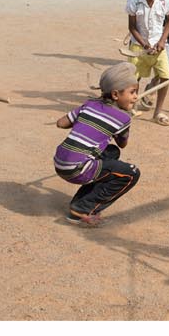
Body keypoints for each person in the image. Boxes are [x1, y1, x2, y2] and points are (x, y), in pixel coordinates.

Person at [54, 62, 142, 227]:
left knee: (111, 152)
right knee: (131, 174)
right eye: (132, 92)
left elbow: (61, 123)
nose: (136, 97)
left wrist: (86, 119)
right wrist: (125, 118)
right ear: (116, 95)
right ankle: (81, 209)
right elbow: (123, 143)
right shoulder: (122, 118)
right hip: (76, 169)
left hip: (60, 162)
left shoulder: (89, 104)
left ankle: (78, 207)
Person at [125, 0, 169, 127]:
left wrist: (162, 40)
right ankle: (130, 108)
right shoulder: (134, 1)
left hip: (160, 47)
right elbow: (132, 27)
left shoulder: (165, 0)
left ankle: (158, 112)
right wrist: (144, 44)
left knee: (165, 77)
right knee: (134, 78)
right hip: (138, 48)